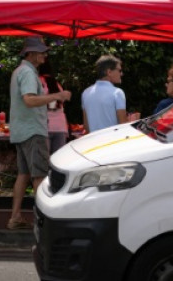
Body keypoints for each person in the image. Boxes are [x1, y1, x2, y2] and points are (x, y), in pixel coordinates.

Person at [7, 37, 71, 230]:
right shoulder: (27, 73)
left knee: (23, 174)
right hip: (33, 130)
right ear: (32, 54)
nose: (44, 55)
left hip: (21, 130)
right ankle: (43, 222)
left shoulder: (19, 71)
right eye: (42, 52)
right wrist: (57, 96)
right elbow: (29, 100)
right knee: (40, 176)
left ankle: (15, 217)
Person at [81, 55, 127, 133]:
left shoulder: (86, 93)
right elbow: (123, 125)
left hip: (93, 142)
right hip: (112, 142)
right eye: (119, 70)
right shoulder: (117, 93)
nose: (121, 74)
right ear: (109, 72)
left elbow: (86, 125)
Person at [39, 61, 69, 155]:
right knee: (58, 160)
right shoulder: (57, 84)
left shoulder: (38, 82)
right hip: (60, 126)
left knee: (44, 160)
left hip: (45, 126)